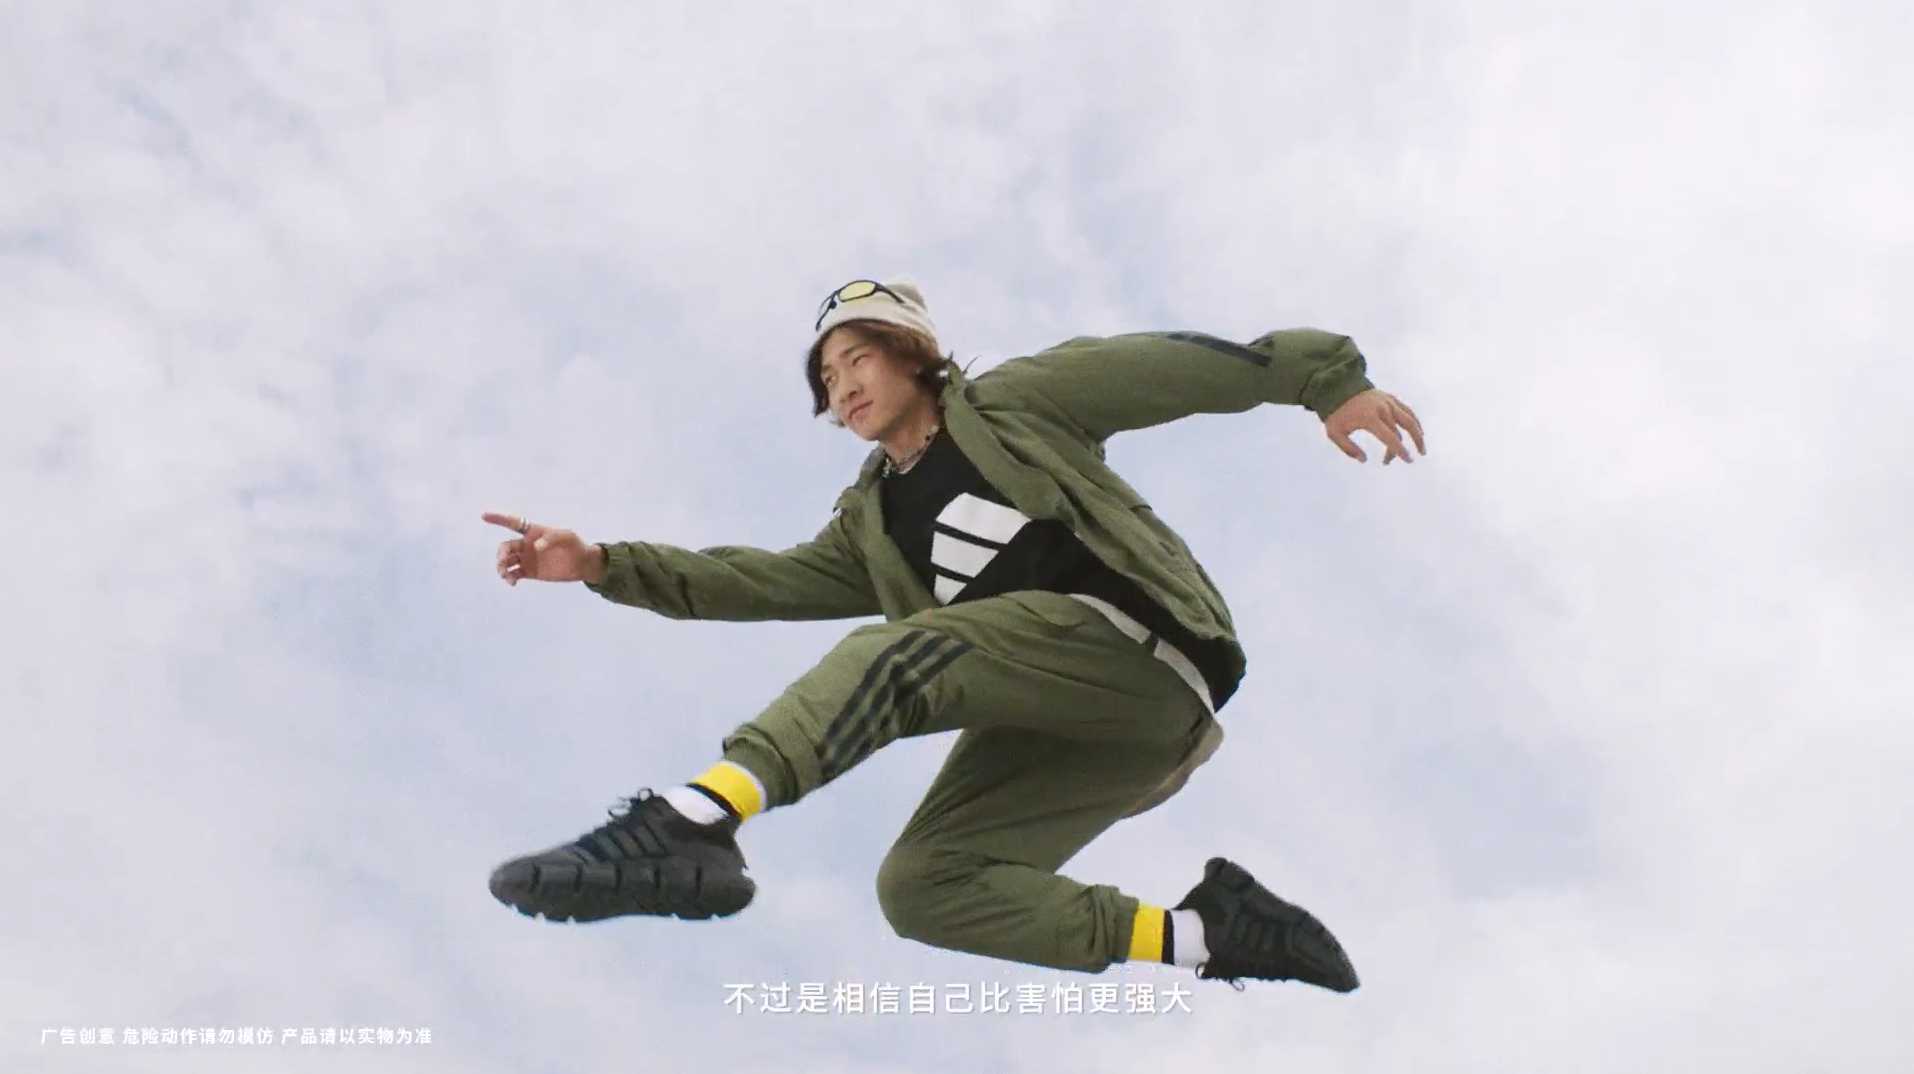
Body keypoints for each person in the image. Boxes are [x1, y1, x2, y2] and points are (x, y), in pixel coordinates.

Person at [481, 278, 1425, 992]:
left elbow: (1173, 366)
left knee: (896, 655)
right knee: (921, 885)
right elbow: (752, 580)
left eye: (857, 360)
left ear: (911, 353)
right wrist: (602, 563)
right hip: (1103, 733)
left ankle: (692, 821)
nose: (843, 387)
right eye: (827, 379)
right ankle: (1210, 933)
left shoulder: (1016, 404)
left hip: (1144, 643)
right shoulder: (871, 528)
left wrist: (1325, 381)